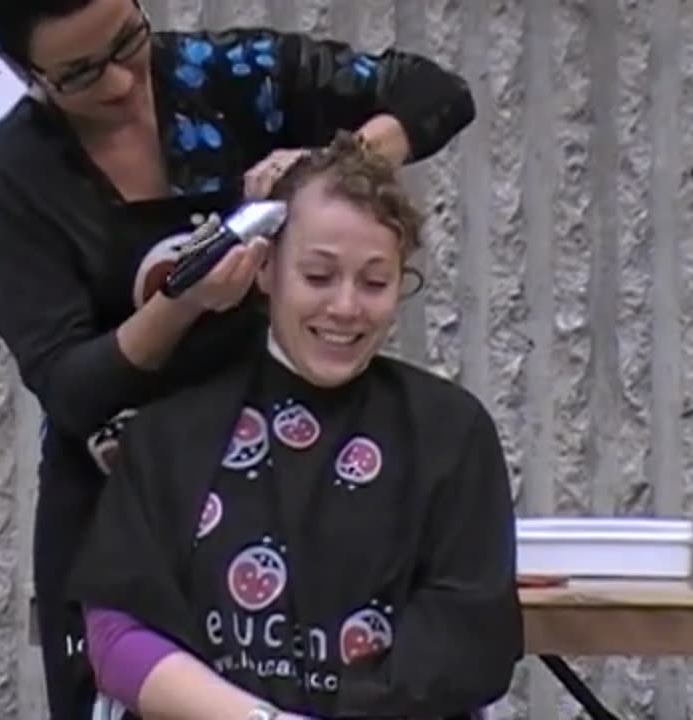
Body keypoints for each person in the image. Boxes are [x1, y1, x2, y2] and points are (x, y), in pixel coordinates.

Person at [0, 0, 478, 715]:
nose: (119, 83)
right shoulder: (16, 175)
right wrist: (181, 302)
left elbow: (436, 94)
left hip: (289, 467)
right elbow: (70, 385)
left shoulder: (225, 75)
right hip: (125, 491)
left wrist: (330, 171)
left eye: (126, 42)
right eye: (81, 73)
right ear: (25, 73)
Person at [66, 132, 524, 720]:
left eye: (375, 281)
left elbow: (468, 637)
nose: (345, 306)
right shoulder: (172, 432)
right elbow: (116, 636)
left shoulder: (450, 433)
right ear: (264, 271)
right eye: (318, 276)